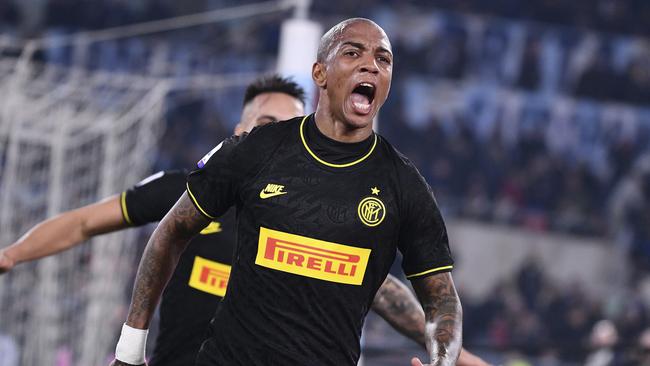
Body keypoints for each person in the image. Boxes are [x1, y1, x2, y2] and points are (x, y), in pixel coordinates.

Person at [1, 75, 487, 366]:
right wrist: (12, 254)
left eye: (289, 127)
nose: (279, 139)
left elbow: (385, 294)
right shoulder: (184, 194)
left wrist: (457, 355)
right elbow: (86, 222)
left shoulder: (313, 219)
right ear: (241, 133)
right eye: (266, 127)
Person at [111, 18, 462, 366]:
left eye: (383, 59)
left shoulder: (403, 184)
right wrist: (129, 352)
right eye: (353, 52)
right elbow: (172, 231)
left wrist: (442, 361)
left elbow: (442, 300)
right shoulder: (257, 150)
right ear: (320, 73)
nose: (370, 64)